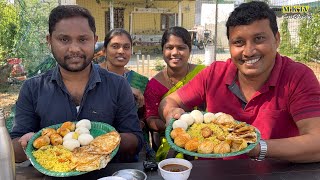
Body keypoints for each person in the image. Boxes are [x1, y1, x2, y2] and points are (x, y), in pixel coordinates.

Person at [159, 1, 320, 163]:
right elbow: (170, 101)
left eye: (259, 39)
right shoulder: (214, 74)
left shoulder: (297, 77)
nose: (249, 51)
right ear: (229, 46)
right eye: (239, 42)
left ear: (276, 39)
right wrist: (171, 113)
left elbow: (317, 143)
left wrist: (257, 147)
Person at [10, 5, 143, 163]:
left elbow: (135, 141)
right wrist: (29, 143)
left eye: (83, 39)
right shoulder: (32, 88)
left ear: (94, 40)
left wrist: (101, 142)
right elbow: (15, 152)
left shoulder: (118, 85)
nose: (74, 48)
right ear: (49, 40)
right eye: (64, 39)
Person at [144, 26, 206, 160]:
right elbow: (151, 119)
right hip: (172, 141)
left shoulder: (203, 74)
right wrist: (172, 125)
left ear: (189, 50)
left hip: (205, 136)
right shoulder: (154, 85)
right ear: (162, 50)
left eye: (181, 48)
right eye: (169, 47)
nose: (175, 52)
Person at [99, 28, 154, 160]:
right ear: (105, 51)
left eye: (126, 47)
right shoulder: (92, 74)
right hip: (97, 141)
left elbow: (142, 117)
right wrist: (125, 88)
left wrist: (140, 118)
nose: (121, 51)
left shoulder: (140, 81)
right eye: (115, 46)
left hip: (127, 146)